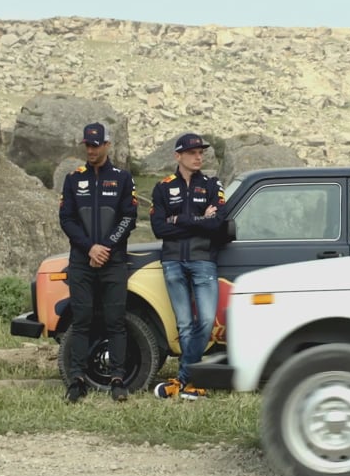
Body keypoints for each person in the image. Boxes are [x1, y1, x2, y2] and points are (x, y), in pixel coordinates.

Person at [59, 122, 137, 403]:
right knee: (81, 320)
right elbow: (66, 219)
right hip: (81, 261)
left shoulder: (123, 178)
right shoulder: (73, 179)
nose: (91, 150)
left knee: (115, 321)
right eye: (87, 145)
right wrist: (90, 248)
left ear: (107, 145)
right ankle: (77, 379)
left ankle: (118, 378)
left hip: (113, 261)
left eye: (96, 145)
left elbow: (128, 218)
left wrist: (105, 247)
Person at [150, 132, 226, 400]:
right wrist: (197, 219)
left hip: (203, 261)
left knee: (205, 321)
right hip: (172, 262)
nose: (199, 156)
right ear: (178, 156)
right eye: (193, 152)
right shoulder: (162, 187)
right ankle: (192, 384)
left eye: (201, 152)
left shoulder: (212, 185)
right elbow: (158, 227)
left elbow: (217, 224)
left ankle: (184, 378)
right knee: (184, 324)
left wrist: (178, 221)